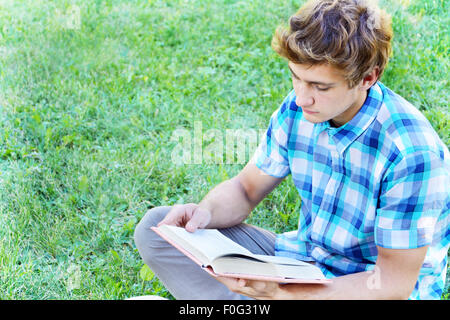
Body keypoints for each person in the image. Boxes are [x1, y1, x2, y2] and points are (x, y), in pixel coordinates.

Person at [134, 0, 449, 300]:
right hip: (303, 264)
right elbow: (245, 190)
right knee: (158, 228)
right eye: (296, 78)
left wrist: (284, 295)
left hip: (365, 287)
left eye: (320, 86)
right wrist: (205, 213)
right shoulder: (299, 110)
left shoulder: (411, 153)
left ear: (368, 77)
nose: (301, 98)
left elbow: (392, 284)